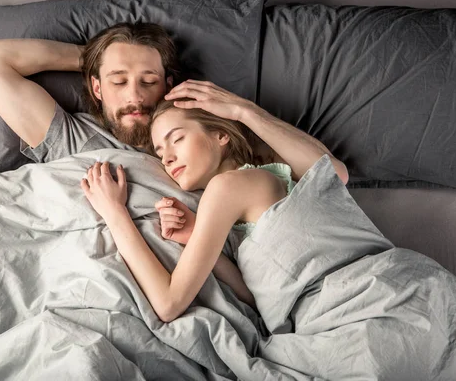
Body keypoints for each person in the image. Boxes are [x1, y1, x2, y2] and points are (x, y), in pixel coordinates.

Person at [80, 92, 349, 322]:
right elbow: (260, 298)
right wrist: (195, 234)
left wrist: (115, 213)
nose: (168, 158)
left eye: (177, 139)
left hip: (345, 298)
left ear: (221, 135)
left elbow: (169, 304)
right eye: (160, 152)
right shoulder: (249, 190)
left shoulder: (228, 186)